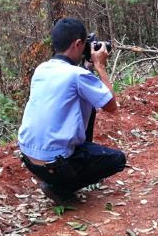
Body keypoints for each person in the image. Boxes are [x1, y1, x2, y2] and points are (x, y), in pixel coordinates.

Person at [18, 18, 126, 205]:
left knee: (86, 106)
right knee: (117, 159)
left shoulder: (41, 69)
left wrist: (87, 68)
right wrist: (100, 66)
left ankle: (59, 178)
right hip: (57, 165)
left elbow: (67, 92)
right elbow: (111, 106)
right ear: (78, 44)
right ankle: (60, 187)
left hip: (29, 159)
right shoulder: (78, 75)